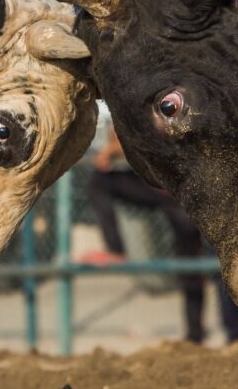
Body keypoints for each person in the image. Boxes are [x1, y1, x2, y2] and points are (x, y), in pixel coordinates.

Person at [81, 123, 209, 342]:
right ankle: (115, 248)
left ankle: (195, 333)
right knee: (99, 181)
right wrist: (113, 146)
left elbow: (151, 134)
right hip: (155, 187)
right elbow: (120, 131)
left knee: (191, 263)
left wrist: (111, 150)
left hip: (184, 193)